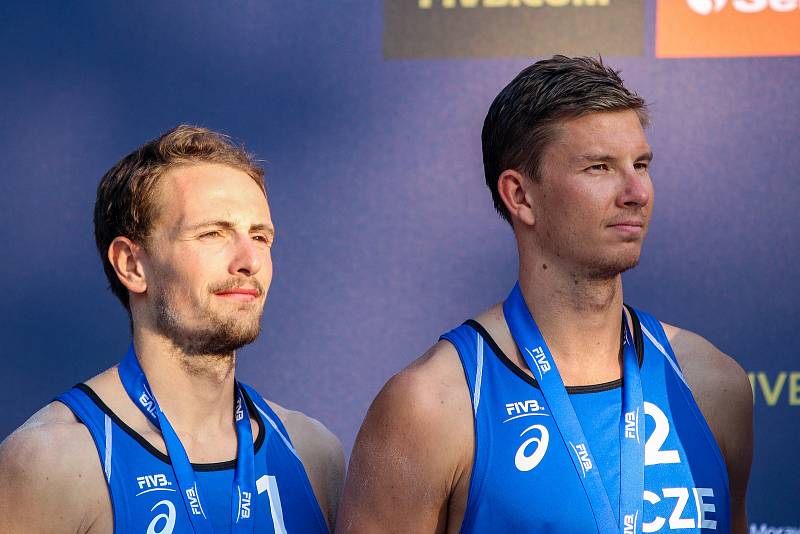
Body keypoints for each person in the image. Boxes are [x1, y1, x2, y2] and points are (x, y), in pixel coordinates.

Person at [337, 56, 753, 533]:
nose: (636, 191)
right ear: (520, 196)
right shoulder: (432, 404)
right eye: (599, 167)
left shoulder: (711, 383)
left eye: (640, 164)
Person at [0, 125, 344, 533]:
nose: (249, 260)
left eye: (260, 236)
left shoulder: (313, 452)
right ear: (131, 265)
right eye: (212, 233)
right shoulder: (52, 463)